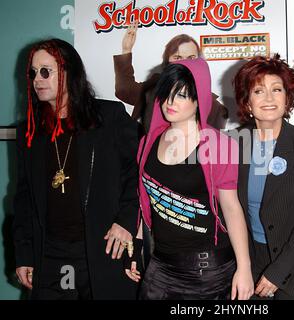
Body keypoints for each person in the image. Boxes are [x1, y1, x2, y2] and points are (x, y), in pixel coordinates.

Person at [13, 39, 139, 299]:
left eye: (46, 71)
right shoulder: (30, 131)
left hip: (101, 249)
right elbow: (23, 197)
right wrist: (24, 253)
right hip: (50, 256)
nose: (38, 79)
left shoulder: (109, 117)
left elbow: (137, 172)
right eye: (33, 72)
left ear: (70, 73)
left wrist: (126, 221)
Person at [126, 57, 254, 300]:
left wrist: (244, 268)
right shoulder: (147, 142)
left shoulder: (219, 146)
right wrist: (137, 247)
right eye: (167, 93)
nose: (170, 102)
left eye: (182, 95)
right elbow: (148, 200)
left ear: (199, 101)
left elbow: (231, 207)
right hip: (160, 264)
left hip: (208, 270)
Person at [232, 54, 294, 299]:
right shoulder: (234, 144)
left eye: (277, 89)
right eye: (258, 91)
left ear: (287, 97)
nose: (269, 98)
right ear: (247, 101)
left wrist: (278, 272)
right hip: (249, 261)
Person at [113, 21, 228, 133]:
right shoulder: (152, 88)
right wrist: (126, 50)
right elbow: (124, 90)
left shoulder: (216, 109)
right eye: (178, 57)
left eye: (191, 57)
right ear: (167, 61)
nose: (184, 63)